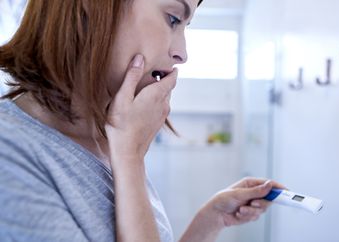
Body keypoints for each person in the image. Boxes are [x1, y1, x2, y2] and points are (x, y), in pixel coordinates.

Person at [0, 0, 285, 241]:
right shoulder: (8, 151)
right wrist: (130, 158)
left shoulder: (110, 136)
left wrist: (210, 221)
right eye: (173, 18)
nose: (182, 54)